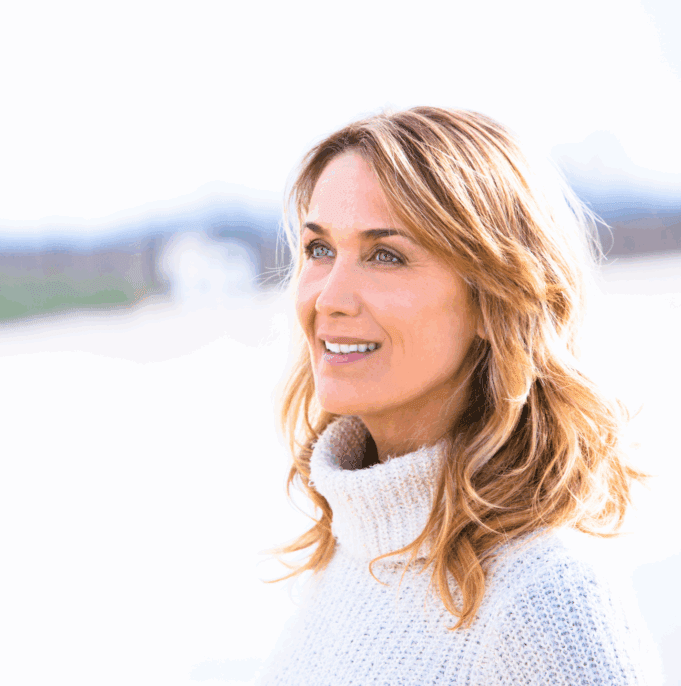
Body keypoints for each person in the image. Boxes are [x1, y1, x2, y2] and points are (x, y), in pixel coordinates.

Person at [259, 107, 659, 685]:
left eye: (385, 255)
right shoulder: (353, 545)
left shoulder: (545, 598)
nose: (329, 297)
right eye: (320, 249)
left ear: (494, 297)